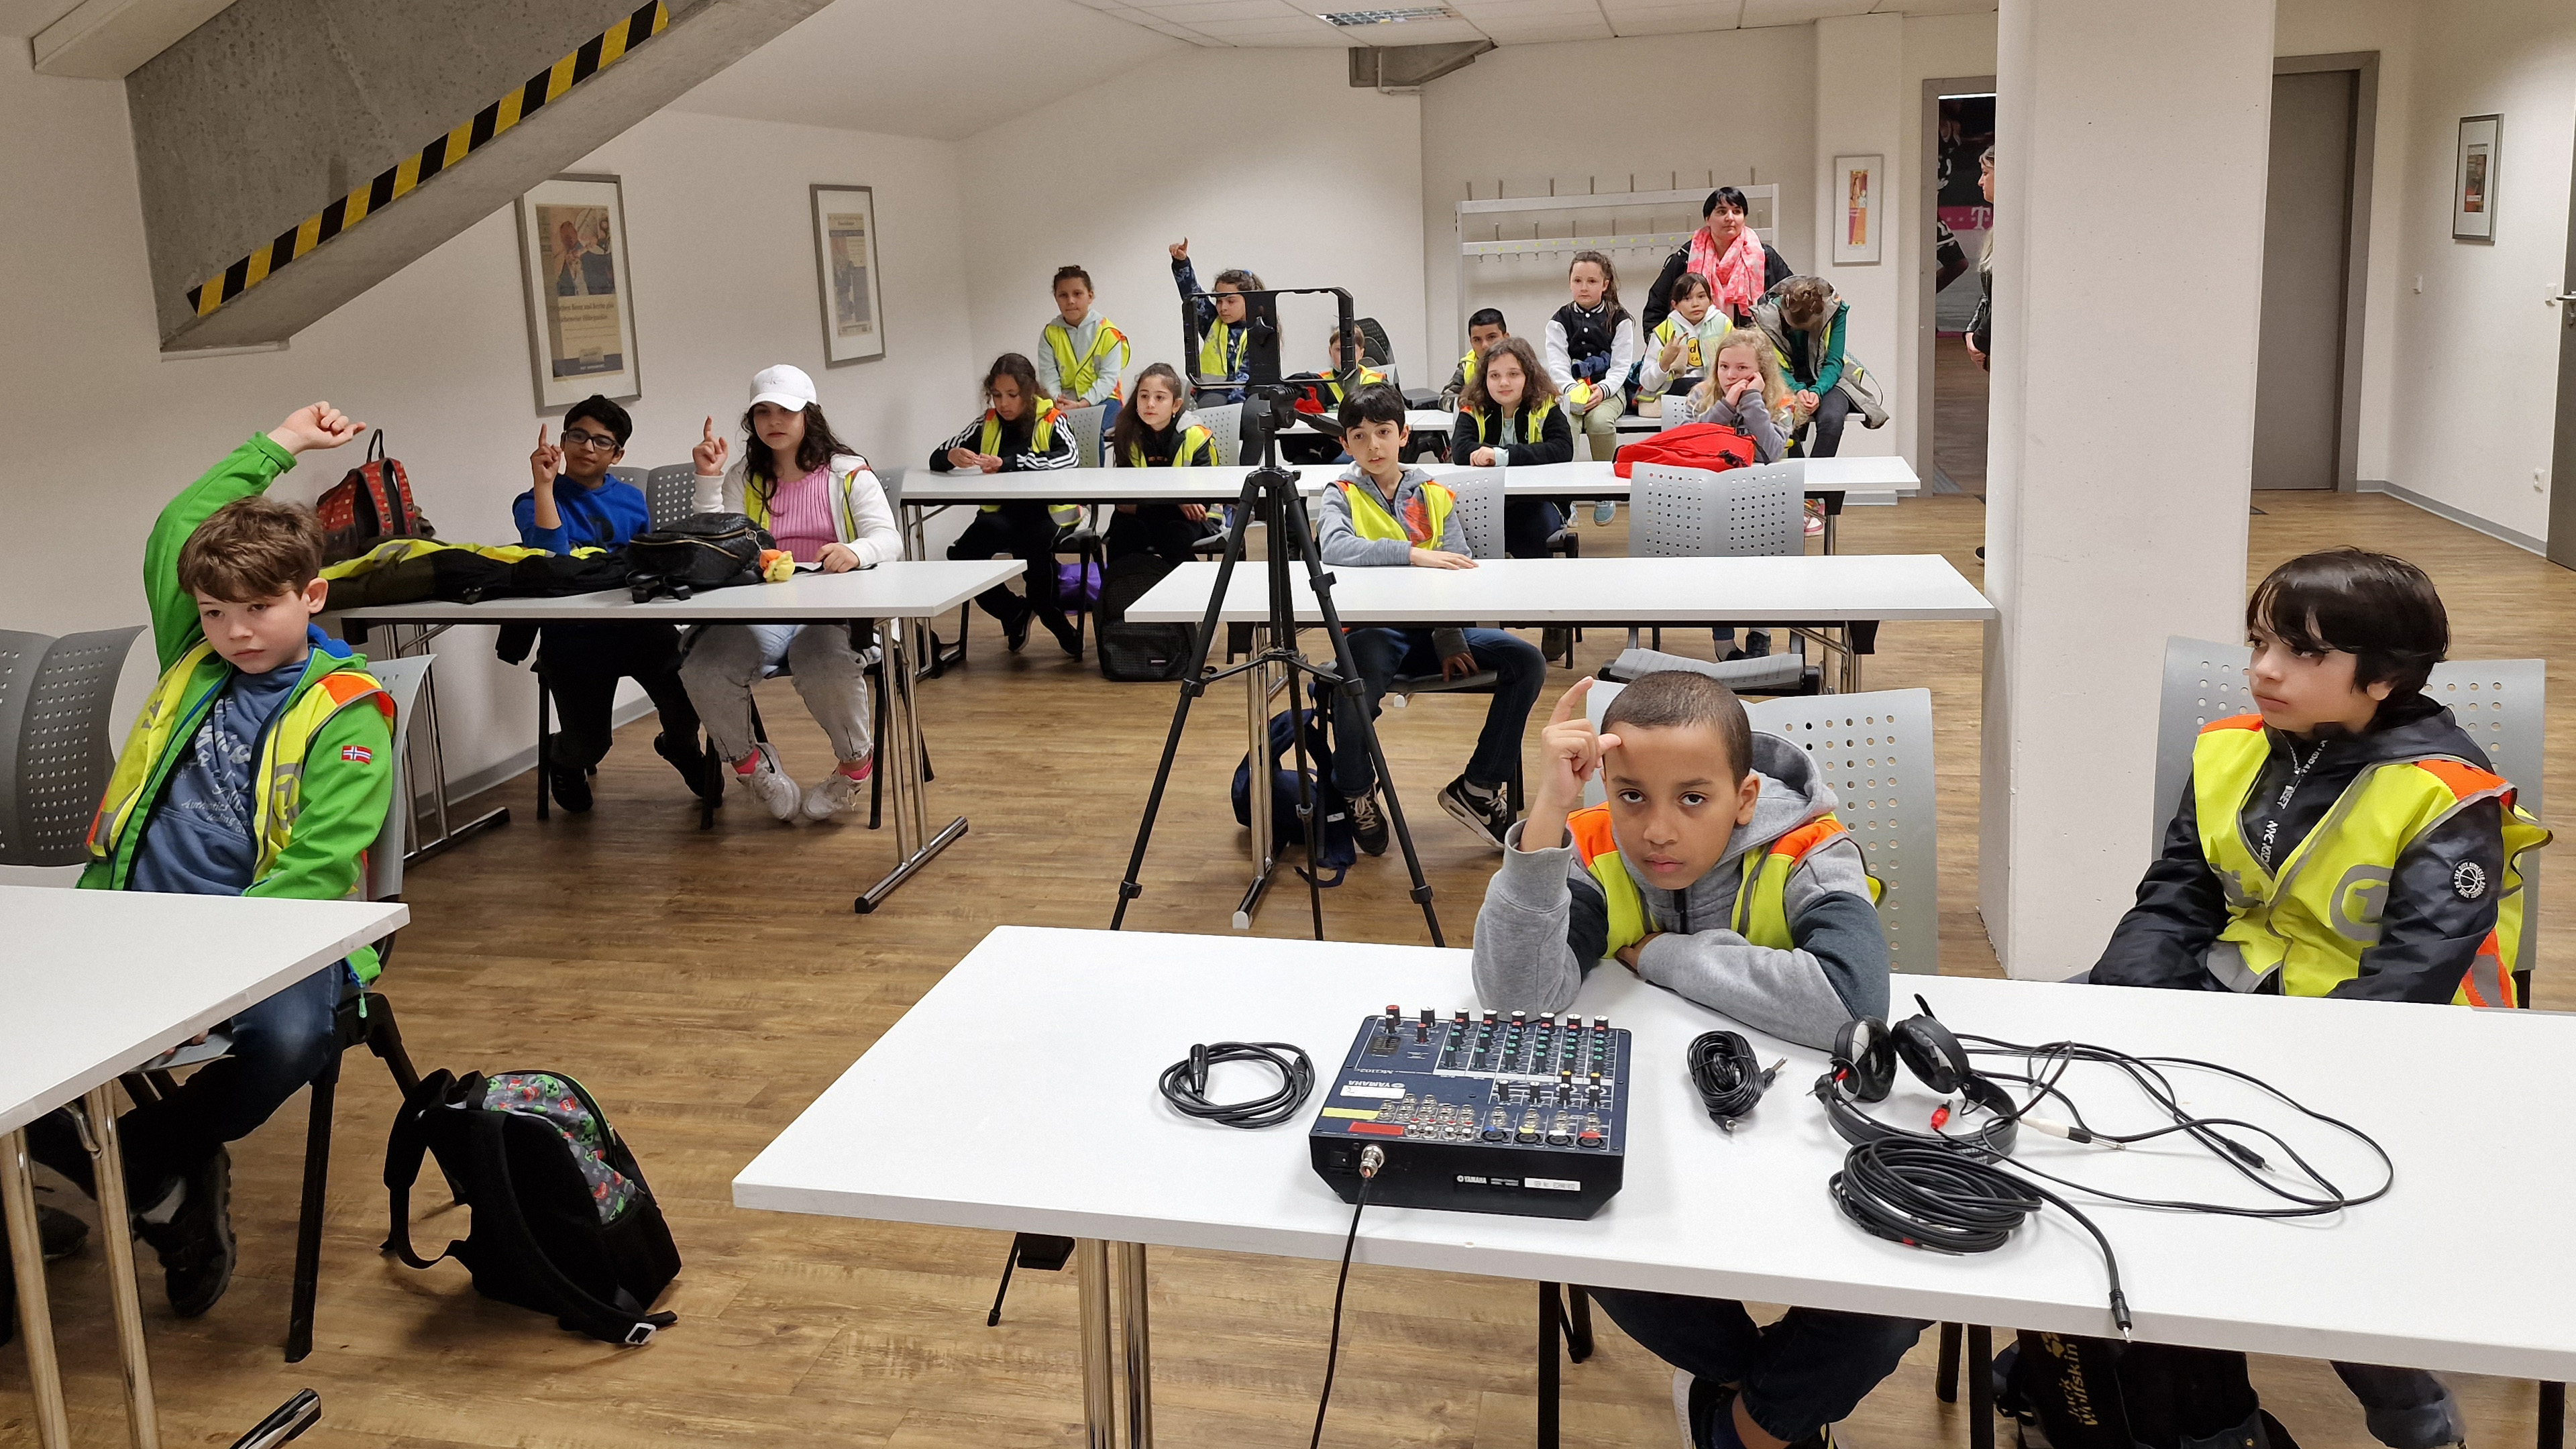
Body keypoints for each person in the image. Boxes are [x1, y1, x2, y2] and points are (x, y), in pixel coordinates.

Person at [2089, 549, 2547, 1449]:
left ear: (2382, 678)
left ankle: (2413, 1414)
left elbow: (2408, 986)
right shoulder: (2230, 749)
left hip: (2402, 1045)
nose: (2263, 669)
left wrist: (2235, 1060)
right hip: (2242, 1002)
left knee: (2292, 1191)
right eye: (2260, 641)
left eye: (2302, 653)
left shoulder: (2449, 795)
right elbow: (2178, 894)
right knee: (2075, 1070)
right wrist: (2134, 1004)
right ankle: (2095, 1356)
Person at [1473, 671, 1915, 1449]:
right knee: (1583, 1217)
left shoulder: (1811, 848)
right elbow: (1521, 1000)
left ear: (1744, 798)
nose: (1658, 832)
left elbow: (1851, 1005)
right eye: (1632, 795)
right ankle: (1770, 1414)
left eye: (1693, 798)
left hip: (1805, 1148)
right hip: (1665, 1149)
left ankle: (1739, 1427)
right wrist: (1547, 810)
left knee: (1894, 1303)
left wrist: (1668, 956)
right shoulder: (1591, 846)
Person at [24, 402, 394, 1322]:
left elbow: (316, 865)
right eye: (217, 611)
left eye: (260, 609)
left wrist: (215, 970)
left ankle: (146, 1163)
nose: (235, 632)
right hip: (134, 915)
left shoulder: (347, 708)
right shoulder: (191, 659)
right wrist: (285, 444)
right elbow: (178, 527)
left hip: (274, 938)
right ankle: (160, 1201)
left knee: (294, 1038)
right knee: (18, 1035)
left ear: (311, 595)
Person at [1316, 382, 1543, 853]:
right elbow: (1334, 547)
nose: (1373, 446)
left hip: (1434, 629)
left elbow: (1458, 565)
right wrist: (1413, 555)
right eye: (1359, 436)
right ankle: (1355, 789)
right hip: (1374, 630)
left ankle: (1478, 788)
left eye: (1383, 432)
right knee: (1356, 670)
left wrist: (1450, 639)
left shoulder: (1434, 493)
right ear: (1344, 443)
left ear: (1404, 434)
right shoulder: (1340, 493)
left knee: (1526, 662)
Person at [686, 364, 902, 822]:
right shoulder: (743, 478)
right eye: (762, 412)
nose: (773, 421)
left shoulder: (847, 473)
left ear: (809, 415)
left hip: (835, 610)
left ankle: (854, 767)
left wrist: (855, 550)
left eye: (785, 410)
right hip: (764, 611)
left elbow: (888, 539)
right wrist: (709, 478)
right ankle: (751, 767)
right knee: (704, 667)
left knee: (824, 662)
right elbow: (712, 541)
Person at [512, 394, 708, 811]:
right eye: (578, 436)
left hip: (638, 627)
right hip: (575, 637)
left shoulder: (632, 500)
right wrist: (544, 485)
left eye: (601, 441)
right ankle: (563, 759)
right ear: (562, 443)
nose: (587, 447)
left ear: (617, 454)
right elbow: (554, 561)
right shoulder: (533, 500)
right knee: (590, 743)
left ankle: (679, 747)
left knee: (685, 705)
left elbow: (643, 562)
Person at [934, 353, 1083, 656]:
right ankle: (1013, 611)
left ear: (1029, 392)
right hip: (1002, 514)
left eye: (1012, 395)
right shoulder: (987, 423)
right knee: (964, 556)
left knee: (1033, 547)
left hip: (1046, 514)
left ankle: (1051, 616)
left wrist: (1009, 463)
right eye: (997, 395)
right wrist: (951, 457)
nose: (1004, 404)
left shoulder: (1052, 418)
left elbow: (1070, 457)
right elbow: (939, 455)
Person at [1448, 335, 1573, 559]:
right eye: (1494, 376)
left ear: (1529, 376)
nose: (1503, 383)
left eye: (1513, 374)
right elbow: (1460, 450)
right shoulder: (1473, 405)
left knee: (1528, 528)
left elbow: (1562, 449)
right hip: (1486, 500)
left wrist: (1501, 456)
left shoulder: (1546, 404)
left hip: (1540, 500)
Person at [1105, 362, 1218, 568]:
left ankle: (1196, 595)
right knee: (1123, 535)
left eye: (1159, 398)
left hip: (1190, 519)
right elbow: (1124, 501)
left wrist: (1149, 504)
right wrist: (1178, 500)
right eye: (1144, 396)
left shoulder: (1196, 435)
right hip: (1158, 512)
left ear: (1176, 405)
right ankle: (1119, 598)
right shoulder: (1126, 434)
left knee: (1173, 538)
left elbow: (1203, 501)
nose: (1150, 404)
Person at [1646, 188, 1794, 335]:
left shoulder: (1764, 256)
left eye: (1737, 212)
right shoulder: (1686, 257)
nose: (1730, 218)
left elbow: (1792, 302)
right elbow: (1656, 306)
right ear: (1707, 219)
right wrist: (1661, 347)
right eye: (1722, 212)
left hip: (1754, 348)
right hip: (1695, 351)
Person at [1544, 250, 1640, 464]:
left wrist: (1603, 390)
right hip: (1569, 391)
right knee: (1564, 422)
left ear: (1605, 285)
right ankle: (1565, 493)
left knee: (1600, 422)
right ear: (1570, 283)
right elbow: (1557, 365)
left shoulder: (1620, 319)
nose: (1584, 287)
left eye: (1592, 281)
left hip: (1609, 390)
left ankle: (1605, 493)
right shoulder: (1559, 321)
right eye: (1577, 280)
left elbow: (1621, 365)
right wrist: (1572, 391)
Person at [1758, 278, 1854, 460]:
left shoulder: (1836, 310)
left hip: (1826, 379)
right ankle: (1799, 479)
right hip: (1783, 380)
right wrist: (1797, 389)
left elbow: (1834, 361)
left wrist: (1817, 391)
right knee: (1783, 417)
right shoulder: (1766, 317)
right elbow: (1772, 366)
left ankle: (1818, 483)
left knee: (1832, 420)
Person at [1037, 264, 1130, 435]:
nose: (1070, 301)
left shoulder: (1108, 332)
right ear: (1056, 299)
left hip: (1105, 400)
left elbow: (1108, 380)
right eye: (1063, 295)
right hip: (1064, 401)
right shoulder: (1049, 334)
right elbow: (1048, 376)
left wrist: (1083, 404)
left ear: (1090, 296)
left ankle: (1091, 463)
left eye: (1077, 294)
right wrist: (1059, 401)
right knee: (1044, 429)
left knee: (1089, 430)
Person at [1168, 238, 1263, 403]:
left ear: (1249, 301)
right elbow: (1192, 293)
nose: (1223, 307)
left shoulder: (1261, 328)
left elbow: (1250, 371)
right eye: (1219, 300)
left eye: (1231, 301)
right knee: (1212, 404)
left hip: (1250, 391)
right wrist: (1182, 264)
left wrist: (1237, 403)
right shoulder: (1212, 321)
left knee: (1255, 412)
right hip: (1213, 391)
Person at [1638, 272, 1730, 412]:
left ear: (1711, 300)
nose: (1695, 304)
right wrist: (1664, 363)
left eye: (1701, 296)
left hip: (1716, 389)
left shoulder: (1724, 324)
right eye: (1687, 299)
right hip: (1676, 392)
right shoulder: (1664, 330)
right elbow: (1647, 383)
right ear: (1675, 305)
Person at [1441, 307, 1509, 408]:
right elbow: (1444, 398)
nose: (1485, 345)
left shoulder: (1521, 362)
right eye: (1477, 340)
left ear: (1506, 338)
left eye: (1491, 337)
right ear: (1471, 342)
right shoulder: (1467, 365)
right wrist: (1470, 404)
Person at [1966, 146, 1995, 372]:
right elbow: (1988, 296)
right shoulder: (1997, 229)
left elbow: (2005, 297)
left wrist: (1979, 339)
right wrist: (1971, 332)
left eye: (1986, 173)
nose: (1979, 182)